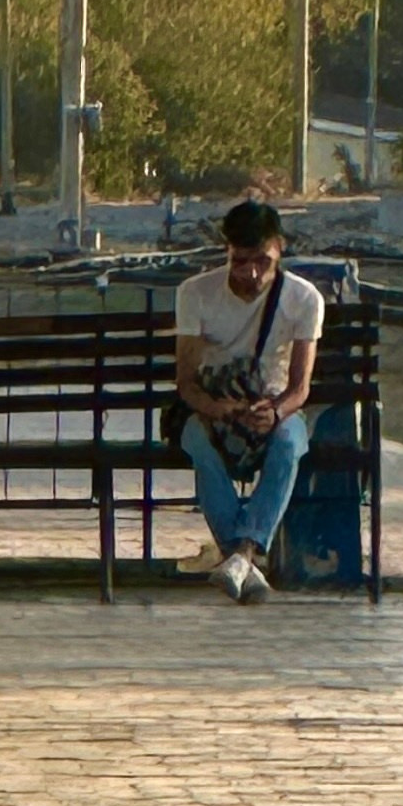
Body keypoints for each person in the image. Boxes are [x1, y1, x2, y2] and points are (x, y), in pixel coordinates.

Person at [170, 199, 324, 602]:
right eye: (241, 261)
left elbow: (300, 388)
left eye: (262, 261)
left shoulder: (303, 299)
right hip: (213, 404)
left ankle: (239, 555)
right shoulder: (196, 294)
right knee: (200, 442)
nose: (251, 273)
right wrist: (217, 409)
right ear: (227, 252)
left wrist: (274, 413)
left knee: (289, 443)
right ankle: (245, 558)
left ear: (279, 248)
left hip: (272, 406)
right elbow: (186, 383)